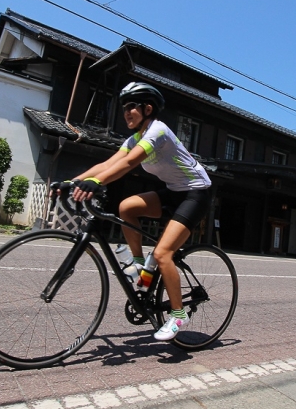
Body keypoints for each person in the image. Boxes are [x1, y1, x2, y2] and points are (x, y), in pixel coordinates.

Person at [69, 82, 212, 341]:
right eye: (124, 107)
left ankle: (178, 314)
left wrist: (98, 182)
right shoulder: (135, 137)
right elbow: (109, 162)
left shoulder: (158, 131)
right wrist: (73, 181)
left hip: (195, 193)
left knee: (163, 253)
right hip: (173, 190)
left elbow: (129, 162)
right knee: (126, 207)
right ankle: (137, 264)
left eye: (132, 106)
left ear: (148, 108)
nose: (126, 112)